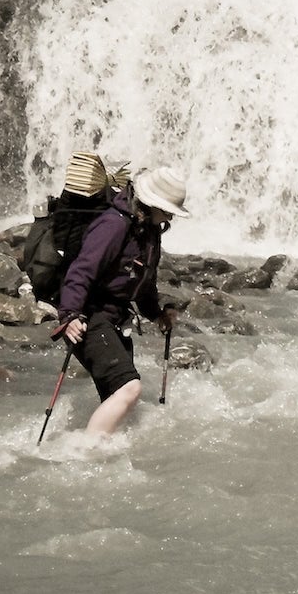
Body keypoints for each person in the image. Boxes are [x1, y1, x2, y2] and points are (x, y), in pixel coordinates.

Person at [55, 164, 188, 436]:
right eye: (168, 211)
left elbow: (144, 281)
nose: (169, 218)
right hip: (88, 317)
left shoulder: (149, 231)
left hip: (116, 318)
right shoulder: (113, 225)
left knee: (118, 402)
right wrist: (68, 316)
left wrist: (156, 314)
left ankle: (97, 459)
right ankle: (82, 453)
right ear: (151, 203)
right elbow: (81, 270)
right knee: (130, 389)